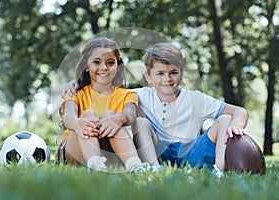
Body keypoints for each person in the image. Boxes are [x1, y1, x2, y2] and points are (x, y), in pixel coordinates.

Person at [62, 42, 248, 177]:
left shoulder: (196, 99)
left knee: (224, 119)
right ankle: (153, 169)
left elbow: (240, 111)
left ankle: (220, 170)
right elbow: (106, 88)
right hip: (157, 152)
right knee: (141, 123)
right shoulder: (140, 95)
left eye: (173, 73)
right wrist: (77, 83)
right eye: (159, 73)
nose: (167, 79)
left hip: (190, 152)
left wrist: (236, 125)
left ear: (181, 74)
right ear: (148, 77)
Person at [56, 37, 160, 173]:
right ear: (86, 66)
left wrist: (119, 119)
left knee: (111, 117)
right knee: (89, 115)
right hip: (75, 151)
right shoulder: (75, 92)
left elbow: (131, 114)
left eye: (110, 63)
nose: (104, 68)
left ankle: (135, 166)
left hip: (109, 153)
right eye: (97, 62)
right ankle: (94, 165)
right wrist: (78, 124)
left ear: (118, 65)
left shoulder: (127, 95)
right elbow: (68, 117)